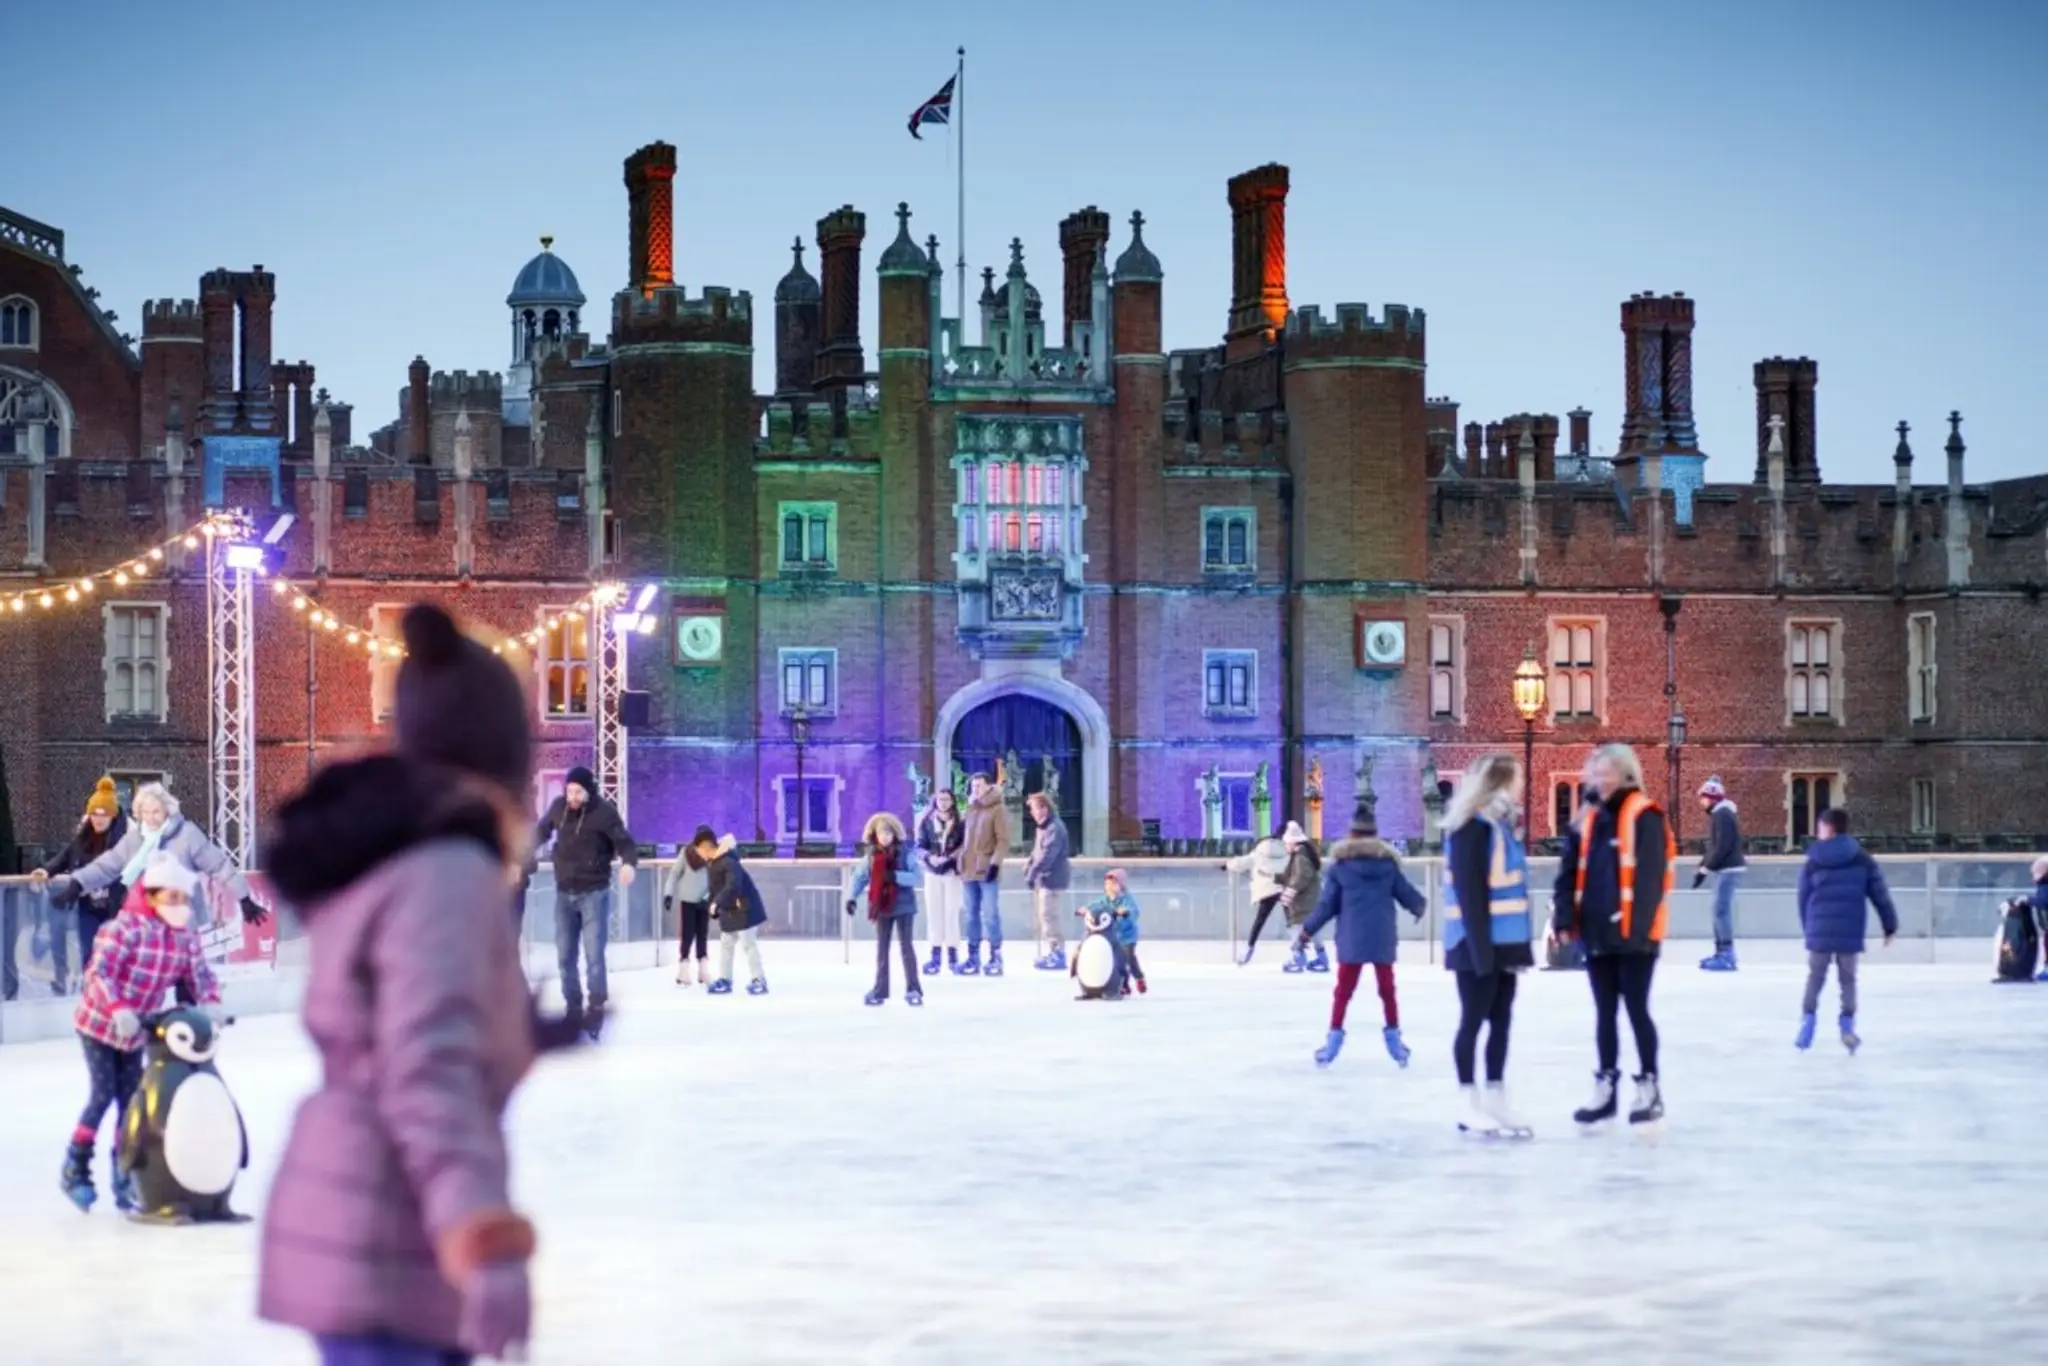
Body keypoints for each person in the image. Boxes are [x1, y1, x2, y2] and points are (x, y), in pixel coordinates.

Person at [258, 602, 578, 1365]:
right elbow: (427, 1068)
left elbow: (392, 1019)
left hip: (362, 1218)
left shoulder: (403, 855)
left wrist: (517, 1026)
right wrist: (487, 1240)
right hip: (391, 1232)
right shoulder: (450, 872)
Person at [61, 852, 221, 1213]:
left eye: (183, 898)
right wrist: (118, 1009)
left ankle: (125, 1171)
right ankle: (76, 1166)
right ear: (150, 896)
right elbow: (98, 974)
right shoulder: (123, 929)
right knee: (103, 1094)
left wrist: (210, 1002)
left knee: (132, 1102)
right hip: (101, 1024)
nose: (179, 905)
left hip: (137, 1030)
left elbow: (200, 974)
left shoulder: (183, 936)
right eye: (171, 897)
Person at [1553, 743, 1673, 1128]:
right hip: (1597, 932)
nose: (1599, 779)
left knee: (1636, 1009)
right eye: (1595, 771)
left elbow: (1651, 879)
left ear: (1625, 775)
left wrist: (1636, 931)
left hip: (1634, 937)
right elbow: (1568, 873)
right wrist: (1563, 919)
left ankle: (1649, 1086)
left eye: (1606, 772)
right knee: (1605, 1012)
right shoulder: (1586, 820)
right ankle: (1606, 1087)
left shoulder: (1645, 815)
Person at [1442, 755, 1537, 1137]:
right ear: (1503, 781)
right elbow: (1470, 895)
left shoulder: (1498, 825)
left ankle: (1495, 1095)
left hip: (1505, 943)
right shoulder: (1472, 829)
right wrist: (1481, 953)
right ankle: (1468, 1100)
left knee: (1500, 1021)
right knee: (1473, 1021)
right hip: (1476, 945)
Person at [1296, 804, 1425, 1069]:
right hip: (1381, 935)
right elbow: (1405, 892)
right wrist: (1418, 905)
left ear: (1351, 834)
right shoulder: (1388, 865)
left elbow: (1327, 905)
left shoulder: (1341, 867)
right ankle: (1394, 1041)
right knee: (1387, 990)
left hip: (1352, 936)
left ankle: (1332, 1041)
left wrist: (1307, 930)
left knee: (1343, 992)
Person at [42, 780, 269, 929]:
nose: (152, 817)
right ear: (139, 813)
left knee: (182, 970)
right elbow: (107, 865)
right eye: (146, 812)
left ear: (167, 810)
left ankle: (187, 995)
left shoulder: (187, 834)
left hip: (181, 916)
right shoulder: (135, 839)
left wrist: (244, 898)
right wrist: (78, 884)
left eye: (157, 811)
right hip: (144, 918)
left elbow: (219, 866)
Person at [531, 767, 638, 1039]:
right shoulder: (559, 808)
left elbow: (625, 843)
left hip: (594, 893)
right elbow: (541, 832)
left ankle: (596, 1007)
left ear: (589, 792)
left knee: (593, 956)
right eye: (569, 791)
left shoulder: (604, 813)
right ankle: (573, 1008)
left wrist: (628, 864)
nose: (572, 796)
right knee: (565, 956)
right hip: (564, 893)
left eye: (578, 791)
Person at [1795, 808, 1899, 1052]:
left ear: (1829, 828)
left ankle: (1808, 1023)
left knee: (1815, 977)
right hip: (1850, 930)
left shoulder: (1813, 859)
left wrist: (1808, 928)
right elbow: (1879, 894)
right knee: (1848, 980)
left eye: (1820, 826)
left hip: (1819, 929)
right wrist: (1889, 924)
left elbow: (1803, 897)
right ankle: (1847, 1025)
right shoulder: (1860, 857)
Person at [35, 777, 130, 996]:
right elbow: (65, 856)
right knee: (88, 951)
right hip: (88, 908)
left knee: (112, 953)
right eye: (95, 813)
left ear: (112, 815)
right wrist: (47, 870)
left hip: (114, 909)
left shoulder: (122, 842)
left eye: (103, 814)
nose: (99, 818)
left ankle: (116, 994)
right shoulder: (83, 839)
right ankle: (92, 994)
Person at [847, 812, 924, 1007]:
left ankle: (913, 988)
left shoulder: (905, 854)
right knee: (882, 949)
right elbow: (859, 877)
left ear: (895, 834)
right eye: (882, 833)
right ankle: (880, 989)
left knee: (906, 947)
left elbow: (917, 876)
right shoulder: (872, 856)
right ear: (875, 834)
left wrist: (896, 876)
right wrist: (851, 898)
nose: (886, 837)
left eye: (889, 833)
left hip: (904, 906)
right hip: (882, 907)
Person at [697, 827, 769, 996]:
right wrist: (711, 905)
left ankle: (759, 980)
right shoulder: (714, 863)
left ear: (707, 847)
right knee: (726, 944)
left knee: (748, 944)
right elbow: (715, 889)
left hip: (744, 909)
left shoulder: (728, 862)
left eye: (699, 850)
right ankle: (725, 979)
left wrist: (717, 902)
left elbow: (733, 886)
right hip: (730, 911)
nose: (699, 854)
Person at [957, 765, 1009, 977]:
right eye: (973, 786)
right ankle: (973, 956)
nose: (975, 789)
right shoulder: (970, 808)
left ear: (989, 787)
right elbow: (963, 839)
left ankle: (996, 955)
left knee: (990, 914)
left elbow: (1003, 840)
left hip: (987, 869)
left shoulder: (998, 809)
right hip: (968, 870)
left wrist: (995, 864)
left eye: (979, 785)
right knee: (970, 915)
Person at [1694, 776, 1746, 971]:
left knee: (1721, 910)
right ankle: (1720, 951)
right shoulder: (1720, 813)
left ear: (1712, 797)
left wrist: (1706, 868)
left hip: (1729, 868)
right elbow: (1715, 846)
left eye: (1704, 798)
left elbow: (1722, 845)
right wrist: (1702, 867)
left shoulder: (1722, 813)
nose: (1702, 802)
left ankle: (1726, 954)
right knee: (1718, 909)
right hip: (1724, 868)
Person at [1226, 822, 1294, 965]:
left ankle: (1249, 950)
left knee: (1259, 921)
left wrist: (1227, 865)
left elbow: (1241, 863)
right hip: (1284, 887)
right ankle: (1299, 951)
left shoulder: (1261, 849)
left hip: (1266, 889)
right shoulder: (1289, 852)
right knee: (1292, 921)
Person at [916, 789, 966, 975]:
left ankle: (953, 955)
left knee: (951, 913)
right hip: (932, 872)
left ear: (952, 801)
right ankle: (935, 956)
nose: (944, 803)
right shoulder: (927, 822)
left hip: (952, 872)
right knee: (934, 914)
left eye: (947, 799)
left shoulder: (960, 823)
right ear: (935, 802)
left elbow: (965, 844)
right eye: (940, 799)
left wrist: (951, 857)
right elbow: (919, 846)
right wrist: (930, 857)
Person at [1024, 791, 1073, 971]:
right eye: (1033, 810)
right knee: (1045, 917)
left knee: (1050, 917)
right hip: (1045, 879)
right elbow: (1037, 851)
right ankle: (1054, 951)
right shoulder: (1044, 827)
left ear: (1045, 808)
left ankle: (1058, 953)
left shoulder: (1054, 828)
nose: (1035, 813)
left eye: (1037, 808)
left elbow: (1047, 856)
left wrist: (1033, 873)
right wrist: (1029, 864)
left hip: (1052, 879)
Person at [1076, 868, 1144, 995]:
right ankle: (1122, 984)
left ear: (1121, 885)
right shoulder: (1104, 900)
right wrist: (1085, 910)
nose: (1110, 887)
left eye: (1113, 884)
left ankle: (1139, 977)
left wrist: (1125, 912)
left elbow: (1134, 912)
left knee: (1127, 958)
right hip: (1111, 936)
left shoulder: (1126, 899)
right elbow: (1094, 906)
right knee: (1115, 960)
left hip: (1126, 937)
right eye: (1107, 884)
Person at [1278, 825, 1328, 973]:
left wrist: (1290, 891)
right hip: (1311, 899)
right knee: (1312, 929)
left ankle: (1298, 957)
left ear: (1294, 843)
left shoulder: (1300, 857)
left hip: (1303, 901)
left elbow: (1301, 876)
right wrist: (1278, 878)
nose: (1285, 846)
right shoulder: (1305, 855)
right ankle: (1321, 957)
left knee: (1295, 927)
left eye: (1286, 843)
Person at [662, 841, 712, 987]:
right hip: (687, 901)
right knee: (687, 936)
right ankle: (683, 971)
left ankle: (703, 970)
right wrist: (668, 894)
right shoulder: (686, 853)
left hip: (704, 902)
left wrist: (708, 897)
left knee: (702, 935)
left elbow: (715, 880)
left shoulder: (711, 854)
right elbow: (674, 874)